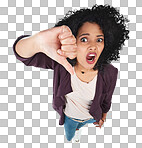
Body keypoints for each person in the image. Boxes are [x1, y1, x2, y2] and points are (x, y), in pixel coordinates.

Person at [13, 4, 129, 143]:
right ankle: (75, 136)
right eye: (84, 39)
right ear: (73, 42)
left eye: (99, 39)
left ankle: (80, 128)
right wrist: (37, 41)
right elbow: (24, 56)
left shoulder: (110, 72)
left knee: (84, 124)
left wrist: (103, 115)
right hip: (70, 118)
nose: (93, 45)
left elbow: (106, 98)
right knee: (70, 136)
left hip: (91, 117)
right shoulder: (61, 63)